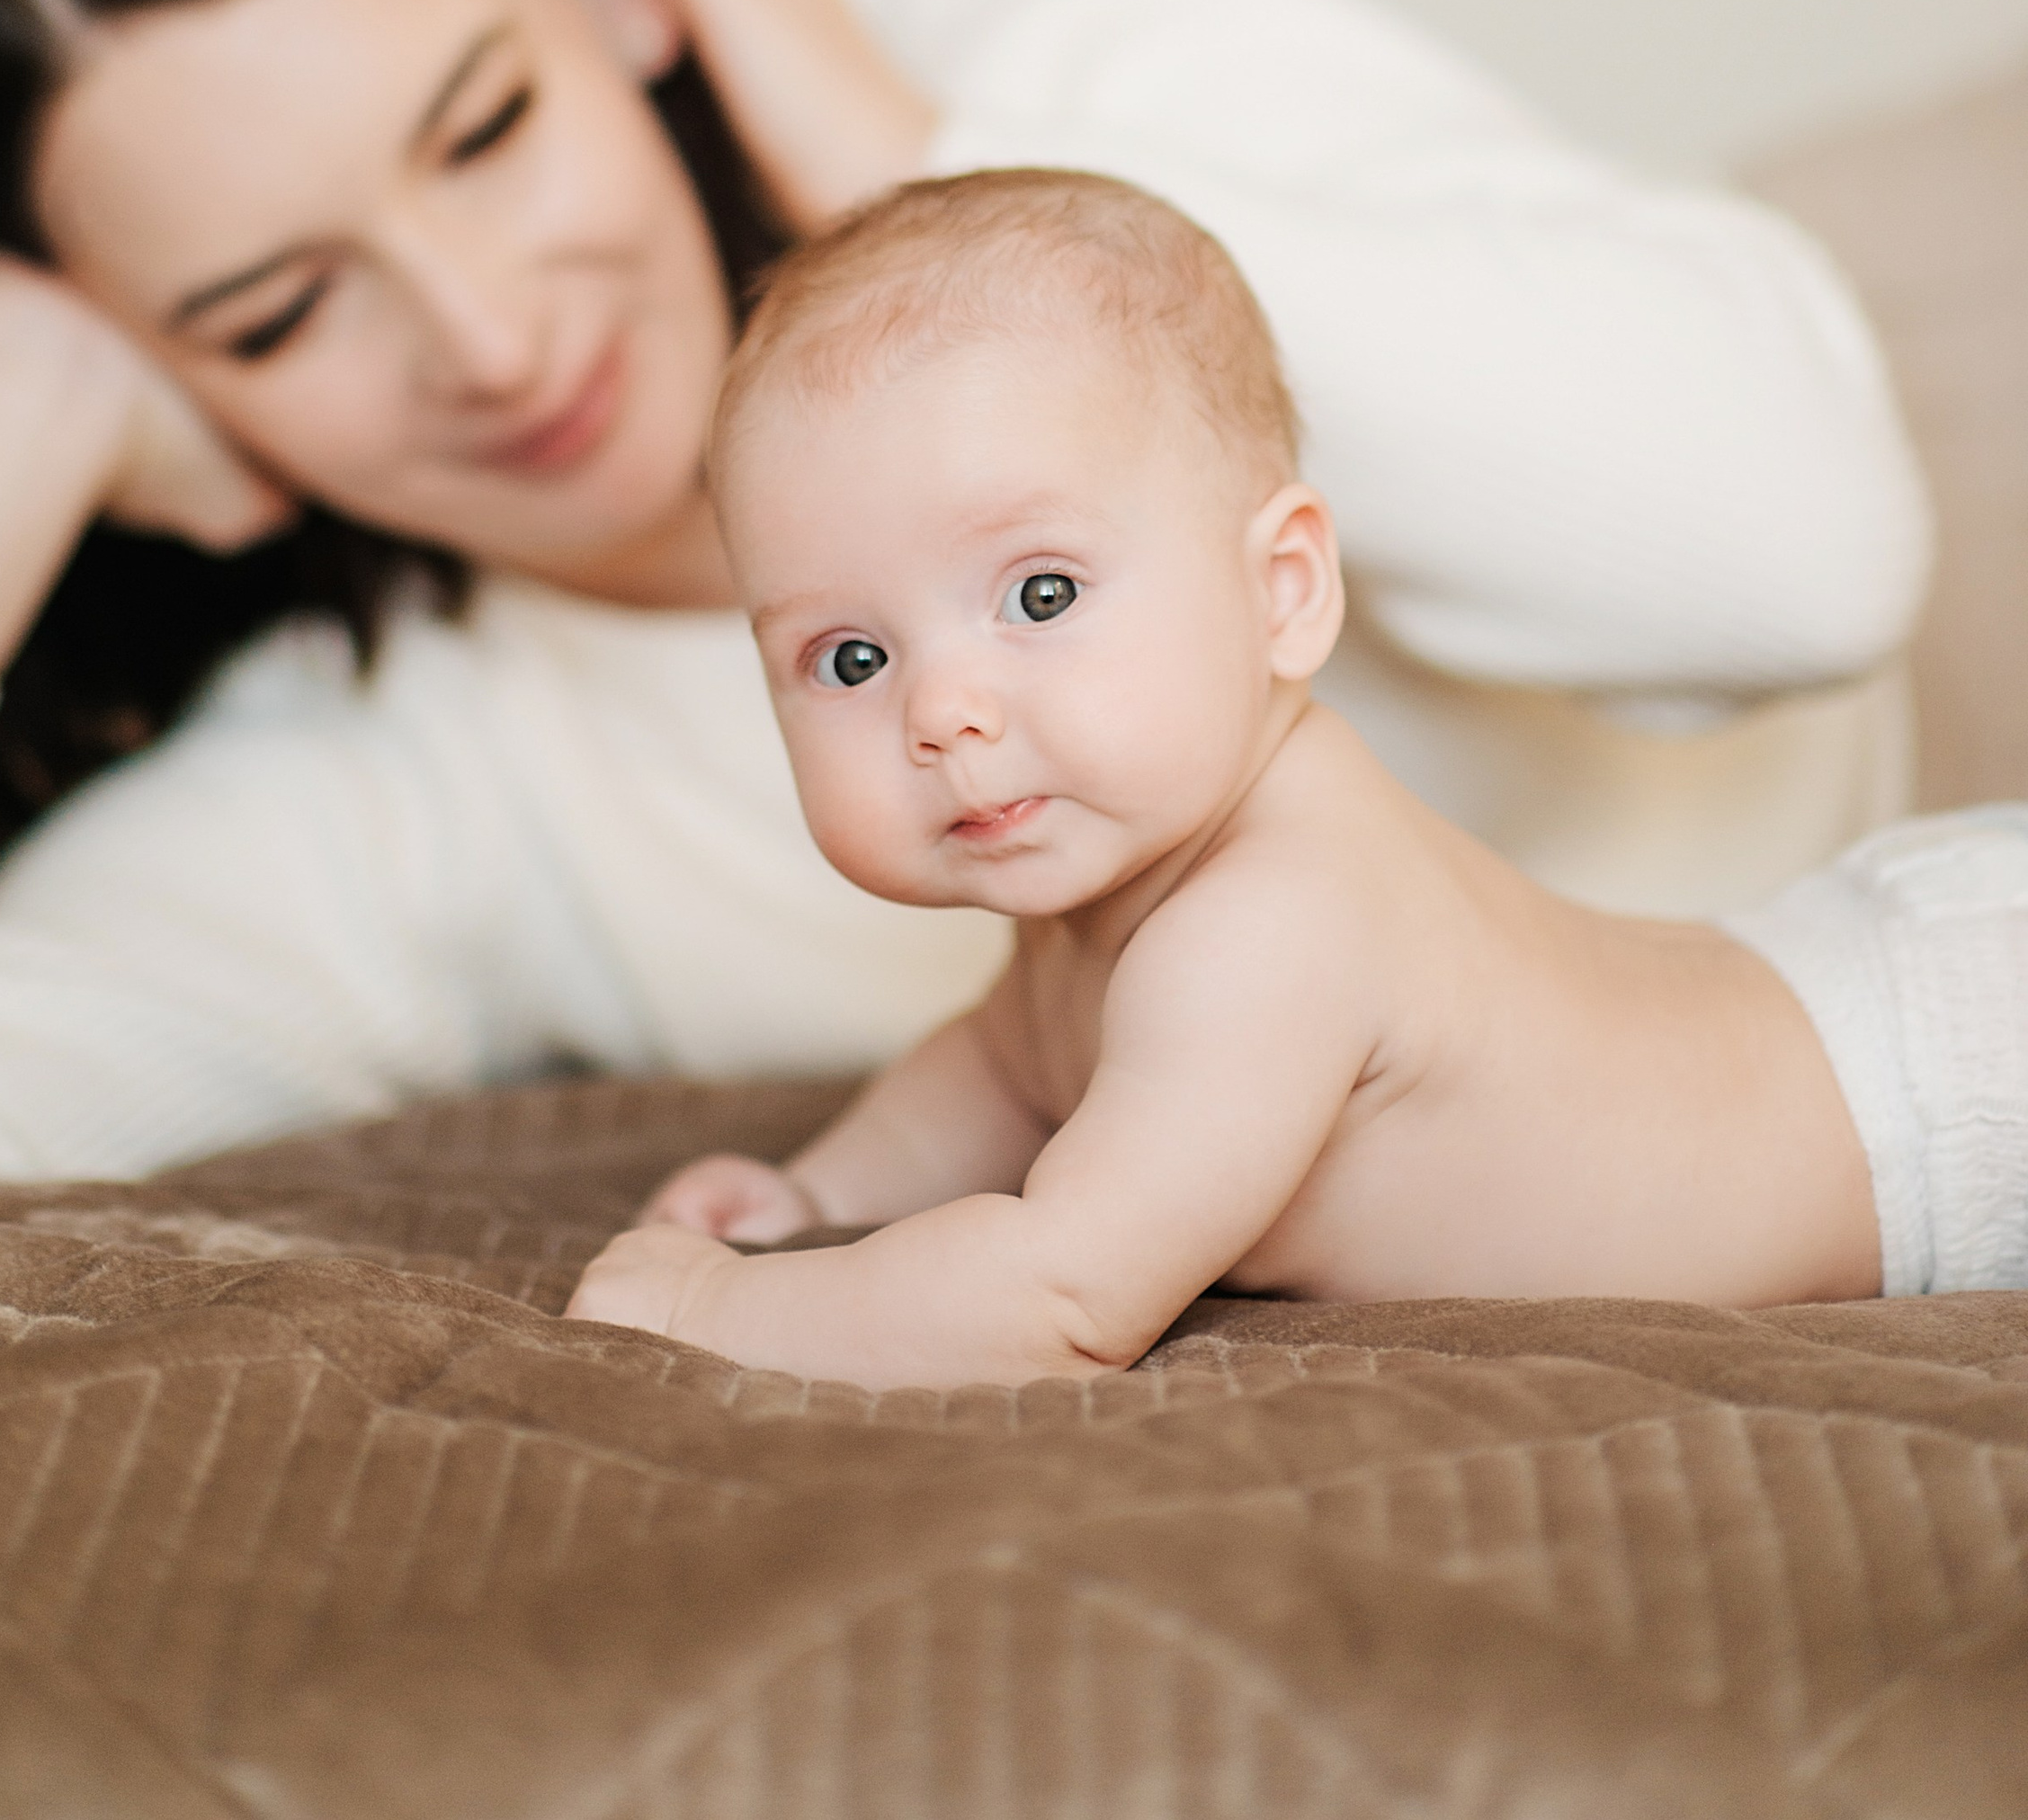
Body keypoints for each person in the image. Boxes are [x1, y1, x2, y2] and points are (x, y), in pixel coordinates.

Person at [0, 0, 1929, 1203]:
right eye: (274, 310)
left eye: (483, 129)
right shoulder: (409, 774)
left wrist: (912, 164)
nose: (489, 338)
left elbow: (1805, 554)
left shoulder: (971, 30)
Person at [571, 174, 2019, 1388]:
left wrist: (715, 1309)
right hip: (1832, 975)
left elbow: (1058, 1298)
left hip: (1945, 1089)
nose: (943, 712)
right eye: (851, 659)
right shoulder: (1111, 891)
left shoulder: (1271, 924)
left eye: (1041, 593)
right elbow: (1005, 1068)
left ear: (1282, 592)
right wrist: (821, 1193)